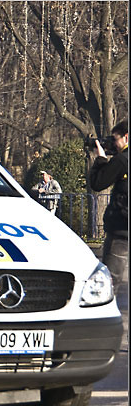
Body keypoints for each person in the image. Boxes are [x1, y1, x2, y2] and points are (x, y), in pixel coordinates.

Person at [88, 119, 128, 294]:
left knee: (109, 281)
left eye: (115, 139)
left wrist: (101, 159)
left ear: (126, 137)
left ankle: (104, 308)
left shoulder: (122, 160)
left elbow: (98, 183)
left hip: (122, 229)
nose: (114, 144)